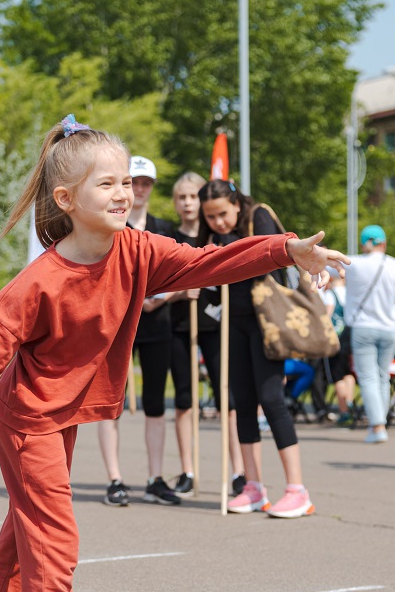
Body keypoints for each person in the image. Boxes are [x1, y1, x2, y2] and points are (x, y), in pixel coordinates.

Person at [0, 116, 347, 592]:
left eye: (127, 181)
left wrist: (285, 249)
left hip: (63, 412)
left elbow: (210, 263)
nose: (124, 193)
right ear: (67, 200)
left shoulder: (138, 249)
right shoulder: (39, 281)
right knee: (54, 537)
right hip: (28, 419)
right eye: (107, 184)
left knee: (29, 527)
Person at [197, 179, 321, 517]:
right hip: (232, 324)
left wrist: (230, 249)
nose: (219, 222)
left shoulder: (259, 217)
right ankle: (253, 486)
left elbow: (273, 258)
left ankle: (297, 489)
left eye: (223, 214)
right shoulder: (212, 236)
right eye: (211, 217)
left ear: (236, 204)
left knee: (271, 399)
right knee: (242, 401)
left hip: (266, 322)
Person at [96, 156, 182, 506]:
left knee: (156, 403)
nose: (140, 189)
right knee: (109, 403)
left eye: (146, 183)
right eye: (134, 182)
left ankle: (155, 477)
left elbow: (180, 271)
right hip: (118, 324)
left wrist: (160, 298)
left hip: (158, 322)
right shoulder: (110, 225)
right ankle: (115, 479)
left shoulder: (165, 228)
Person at [166, 171, 245, 494]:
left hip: (215, 324)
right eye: (181, 197)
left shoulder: (216, 234)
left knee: (227, 397)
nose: (188, 203)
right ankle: (187, 470)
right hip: (180, 323)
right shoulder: (168, 237)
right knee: (184, 399)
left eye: (193, 196)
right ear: (175, 202)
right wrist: (181, 291)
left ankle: (239, 471)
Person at [344, 224, 395, 444]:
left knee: (368, 377)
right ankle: (381, 422)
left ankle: (377, 426)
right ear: (383, 243)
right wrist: (391, 305)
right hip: (389, 327)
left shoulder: (354, 263)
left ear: (364, 243)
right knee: (383, 376)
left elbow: (327, 266)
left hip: (363, 326)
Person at [319, 271, 357, 425]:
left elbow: (326, 317)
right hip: (350, 338)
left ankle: (344, 412)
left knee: (337, 375)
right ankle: (349, 403)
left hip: (336, 340)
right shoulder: (350, 294)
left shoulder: (330, 295)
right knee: (348, 374)